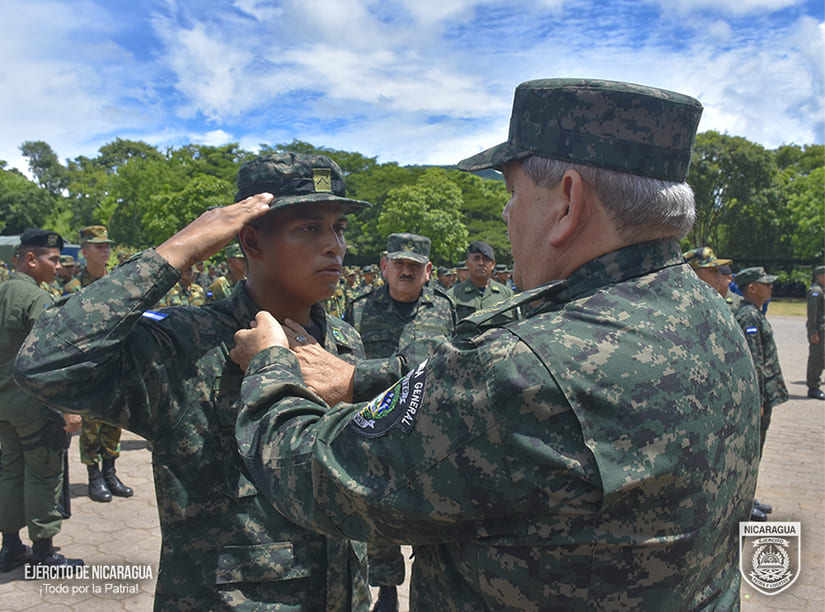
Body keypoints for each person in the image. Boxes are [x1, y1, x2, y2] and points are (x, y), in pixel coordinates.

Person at [228, 79, 760, 609]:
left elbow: (315, 476)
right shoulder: (708, 312)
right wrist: (358, 379)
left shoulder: (526, 365)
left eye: (512, 193)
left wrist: (272, 365)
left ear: (569, 202)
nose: (506, 215)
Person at [14, 153, 372, 609]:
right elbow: (44, 363)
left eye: (338, 226)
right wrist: (178, 250)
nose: (334, 246)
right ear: (250, 241)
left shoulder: (343, 341)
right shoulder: (188, 341)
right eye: (309, 228)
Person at [345, 233, 456, 612]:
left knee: (436, 506)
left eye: (414, 266)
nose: (405, 271)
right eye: (399, 264)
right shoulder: (358, 309)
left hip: (430, 428)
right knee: (377, 508)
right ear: (383, 266)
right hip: (376, 426)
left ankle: (435, 583)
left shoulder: (446, 308)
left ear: (428, 271)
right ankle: (387, 587)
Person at [0, 229, 83, 570]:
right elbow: (52, 359)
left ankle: (9, 548)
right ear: (30, 259)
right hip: (35, 405)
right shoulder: (37, 299)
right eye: (52, 259)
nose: (58, 266)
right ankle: (44, 553)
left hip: (4, 405)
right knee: (44, 474)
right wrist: (68, 408)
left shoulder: (3, 291)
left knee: (10, 473)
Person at [72, 226, 134, 503]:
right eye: (99, 246)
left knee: (113, 421)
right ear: (84, 251)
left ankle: (110, 472)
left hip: (116, 365)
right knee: (91, 425)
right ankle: (93, 476)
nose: (105, 249)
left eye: (107, 245)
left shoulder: (116, 283)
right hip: (88, 369)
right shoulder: (74, 288)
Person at [734, 266, 788, 522]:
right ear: (752, 288)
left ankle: (749, 495)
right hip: (760, 396)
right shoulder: (749, 317)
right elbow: (753, 361)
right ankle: (743, 501)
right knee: (751, 451)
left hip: (765, 395)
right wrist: (758, 400)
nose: (771, 286)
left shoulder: (754, 313)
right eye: (765, 283)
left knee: (757, 450)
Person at [449, 241, 516, 323]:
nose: (481, 263)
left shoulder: (508, 295)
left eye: (486, 259)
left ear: (493, 264)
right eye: (476, 258)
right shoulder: (453, 296)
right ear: (467, 263)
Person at [806, 265, 825, 400]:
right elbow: (812, 314)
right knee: (816, 359)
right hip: (819, 331)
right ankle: (813, 387)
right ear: (820, 276)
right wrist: (813, 332)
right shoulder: (816, 291)